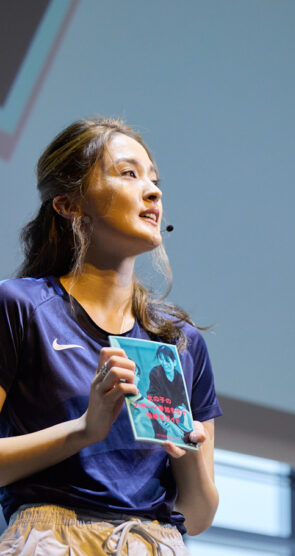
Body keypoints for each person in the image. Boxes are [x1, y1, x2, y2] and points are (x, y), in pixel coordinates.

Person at [0, 117, 222, 554]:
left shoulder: (180, 340)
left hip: (155, 543)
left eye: (154, 180)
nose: (154, 191)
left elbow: (197, 516)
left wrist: (191, 455)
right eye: (128, 174)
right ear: (68, 205)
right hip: (51, 539)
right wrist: (85, 429)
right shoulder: (20, 307)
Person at [148, 345, 194, 443]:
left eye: (167, 360)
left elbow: (185, 400)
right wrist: (161, 416)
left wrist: (184, 412)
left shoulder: (180, 378)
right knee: (160, 438)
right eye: (161, 360)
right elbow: (152, 396)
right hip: (159, 410)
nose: (164, 364)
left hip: (176, 412)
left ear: (174, 362)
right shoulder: (155, 372)